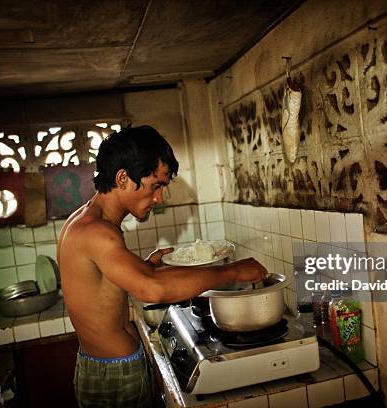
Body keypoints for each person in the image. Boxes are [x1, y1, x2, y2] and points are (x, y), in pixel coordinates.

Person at [57, 125, 266, 407]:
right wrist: (232, 271)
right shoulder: (98, 232)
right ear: (123, 178)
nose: (158, 199)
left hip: (102, 365)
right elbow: (152, 289)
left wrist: (144, 266)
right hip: (115, 375)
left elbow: (105, 283)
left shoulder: (81, 220)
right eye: (156, 185)